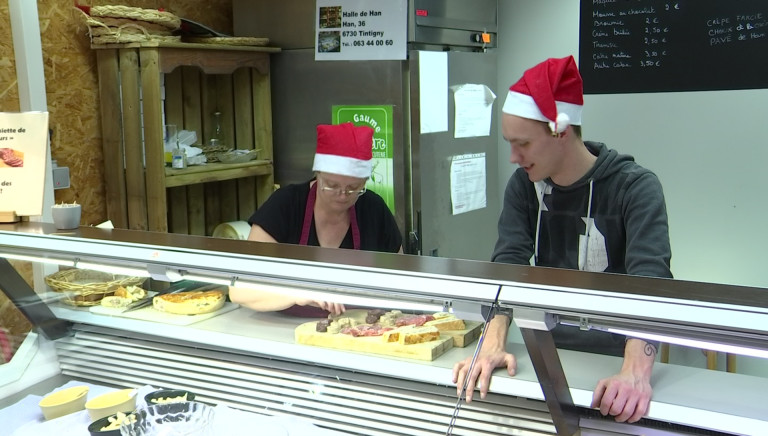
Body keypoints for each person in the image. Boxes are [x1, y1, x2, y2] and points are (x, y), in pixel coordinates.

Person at [452, 56, 672, 423]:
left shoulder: (634, 187)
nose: (512, 157)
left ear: (561, 132)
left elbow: (650, 283)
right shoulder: (524, 186)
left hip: (615, 362)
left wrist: (635, 372)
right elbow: (509, 264)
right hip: (542, 358)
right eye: (509, 143)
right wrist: (491, 344)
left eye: (522, 143)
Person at [229, 122, 403, 317]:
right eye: (332, 185)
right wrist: (297, 293)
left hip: (358, 330)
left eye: (354, 188)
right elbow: (240, 290)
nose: (342, 195)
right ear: (318, 175)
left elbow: (401, 281)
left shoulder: (373, 209)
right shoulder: (286, 205)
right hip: (282, 330)